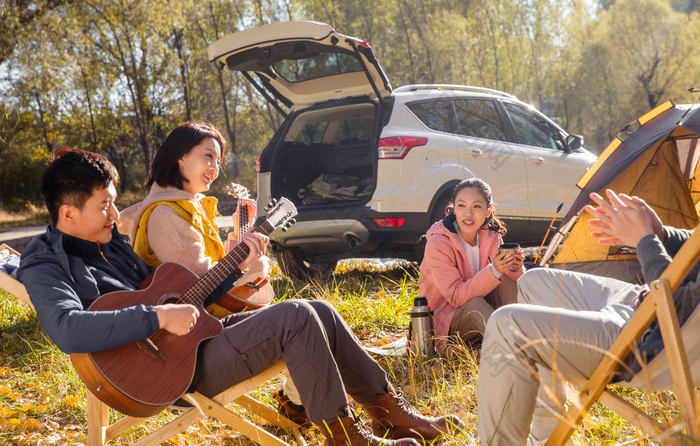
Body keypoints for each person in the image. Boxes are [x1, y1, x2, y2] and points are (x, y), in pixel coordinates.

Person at [18, 147, 464, 446]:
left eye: (115, 203)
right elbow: (66, 328)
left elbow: (175, 294)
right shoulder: (45, 263)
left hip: (194, 340)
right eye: (104, 207)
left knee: (319, 310)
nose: (116, 215)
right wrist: (156, 317)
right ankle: (344, 436)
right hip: (167, 372)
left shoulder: (108, 241)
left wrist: (234, 265)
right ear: (67, 213)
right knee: (296, 317)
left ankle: (387, 409)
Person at [477, 189, 700, 445]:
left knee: (507, 325)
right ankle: (547, 433)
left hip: (658, 335)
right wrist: (663, 234)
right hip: (644, 302)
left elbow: (674, 306)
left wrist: (645, 240)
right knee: (535, 281)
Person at [119, 121, 305, 423]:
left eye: (218, 161)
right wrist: (251, 262)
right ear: (180, 156)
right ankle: (300, 406)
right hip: (192, 349)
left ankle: (300, 405)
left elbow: (216, 269)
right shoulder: (166, 216)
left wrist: (240, 245)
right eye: (208, 156)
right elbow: (204, 283)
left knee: (308, 314)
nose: (215, 167)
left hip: (207, 328)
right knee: (302, 318)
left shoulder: (186, 208)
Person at [418, 178, 524, 347]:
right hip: (445, 325)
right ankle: (516, 346)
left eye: (476, 206)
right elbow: (456, 297)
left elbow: (509, 278)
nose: (468, 213)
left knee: (509, 282)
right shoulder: (438, 244)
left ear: (488, 211)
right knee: (475, 305)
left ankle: (527, 333)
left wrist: (516, 267)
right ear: (453, 209)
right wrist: (494, 270)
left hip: (483, 315)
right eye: (461, 206)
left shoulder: (491, 236)